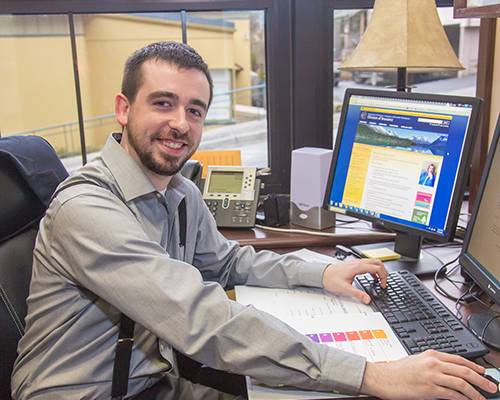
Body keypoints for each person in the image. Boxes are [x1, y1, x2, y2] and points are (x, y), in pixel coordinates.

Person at [12, 42, 496, 400]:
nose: (180, 123)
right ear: (123, 109)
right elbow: (198, 317)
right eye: (162, 103)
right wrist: (371, 374)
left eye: (195, 110)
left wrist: (322, 273)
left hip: (152, 380)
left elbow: (228, 263)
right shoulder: (87, 209)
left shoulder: (178, 192)